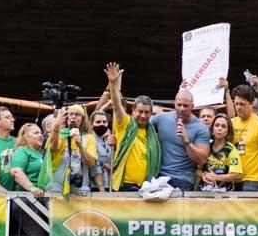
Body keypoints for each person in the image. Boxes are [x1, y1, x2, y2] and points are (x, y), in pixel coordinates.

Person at [103, 62, 161, 192]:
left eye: (146, 112)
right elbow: (117, 105)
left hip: (147, 186)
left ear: (151, 113)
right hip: (125, 185)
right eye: (140, 111)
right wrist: (113, 83)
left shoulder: (152, 132)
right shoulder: (126, 123)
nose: (143, 115)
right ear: (133, 110)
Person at [151, 89, 210, 192]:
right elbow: (139, 127)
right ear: (174, 104)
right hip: (158, 177)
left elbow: (202, 159)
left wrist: (186, 141)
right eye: (179, 105)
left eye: (185, 105)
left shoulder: (200, 128)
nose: (181, 108)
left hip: (183, 179)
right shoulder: (161, 119)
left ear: (193, 106)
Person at [230, 85, 258, 199]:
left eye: (242, 104)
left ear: (251, 104)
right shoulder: (231, 123)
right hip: (232, 178)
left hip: (253, 180)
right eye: (236, 104)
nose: (239, 107)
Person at [43, 105, 97, 194]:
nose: (73, 117)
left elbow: (91, 163)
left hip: (80, 190)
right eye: (71, 114)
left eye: (77, 114)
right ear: (66, 118)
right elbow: (53, 149)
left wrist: (80, 146)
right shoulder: (58, 135)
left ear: (82, 119)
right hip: (56, 188)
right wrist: (56, 128)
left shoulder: (89, 138)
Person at [11, 123, 48, 236]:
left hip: (42, 199)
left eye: (40, 133)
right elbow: (16, 172)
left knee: (45, 234)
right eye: (36, 133)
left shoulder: (43, 153)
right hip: (26, 200)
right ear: (25, 137)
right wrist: (31, 188)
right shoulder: (22, 151)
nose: (40, 135)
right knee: (37, 234)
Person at [197, 113, 242, 191]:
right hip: (204, 192)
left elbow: (237, 175)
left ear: (228, 131)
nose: (219, 128)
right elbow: (198, 170)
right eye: (217, 125)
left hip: (224, 193)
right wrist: (203, 175)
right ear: (212, 128)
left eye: (223, 126)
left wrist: (217, 177)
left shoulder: (230, 149)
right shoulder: (206, 147)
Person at [90, 110, 114, 192]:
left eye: (104, 122)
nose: (102, 124)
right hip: (95, 187)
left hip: (108, 184)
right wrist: (102, 190)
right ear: (91, 124)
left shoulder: (106, 141)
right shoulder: (90, 139)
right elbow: (94, 165)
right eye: (98, 122)